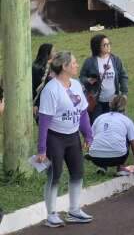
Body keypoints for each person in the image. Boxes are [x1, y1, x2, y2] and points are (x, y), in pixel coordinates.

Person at [36, 51, 94, 227]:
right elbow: (44, 121)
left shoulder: (76, 85)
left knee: (78, 173)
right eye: (74, 63)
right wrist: (42, 149)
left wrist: (88, 134)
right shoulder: (51, 90)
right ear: (64, 66)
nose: (77, 65)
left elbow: (82, 113)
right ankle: (51, 215)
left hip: (73, 137)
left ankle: (74, 210)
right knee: (55, 175)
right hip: (55, 138)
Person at [87, 95, 134, 175]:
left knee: (102, 135)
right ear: (124, 107)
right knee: (128, 137)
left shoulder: (99, 118)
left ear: (110, 105)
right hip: (118, 158)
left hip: (95, 159)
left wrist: (90, 152)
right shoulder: (127, 121)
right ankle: (120, 168)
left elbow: (89, 139)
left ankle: (102, 167)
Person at [80, 34, 128, 122]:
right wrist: (88, 80)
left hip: (113, 101)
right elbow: (82, 77)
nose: (108, 46)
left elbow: (123, 76)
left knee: (114, 123)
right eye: (105, 45)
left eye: (109, 43)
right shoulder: (90, 62)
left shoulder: (115, 60)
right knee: (97, 123)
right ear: (97, 47)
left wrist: (124, 93)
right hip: (97, 102)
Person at [33, 43, 54, 117]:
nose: (55, 53)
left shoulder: (49, 66)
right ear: (47, 54)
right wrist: (36, 104)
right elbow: (38, 88)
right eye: (53, 51)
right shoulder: (38, 69)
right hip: (40, 103)